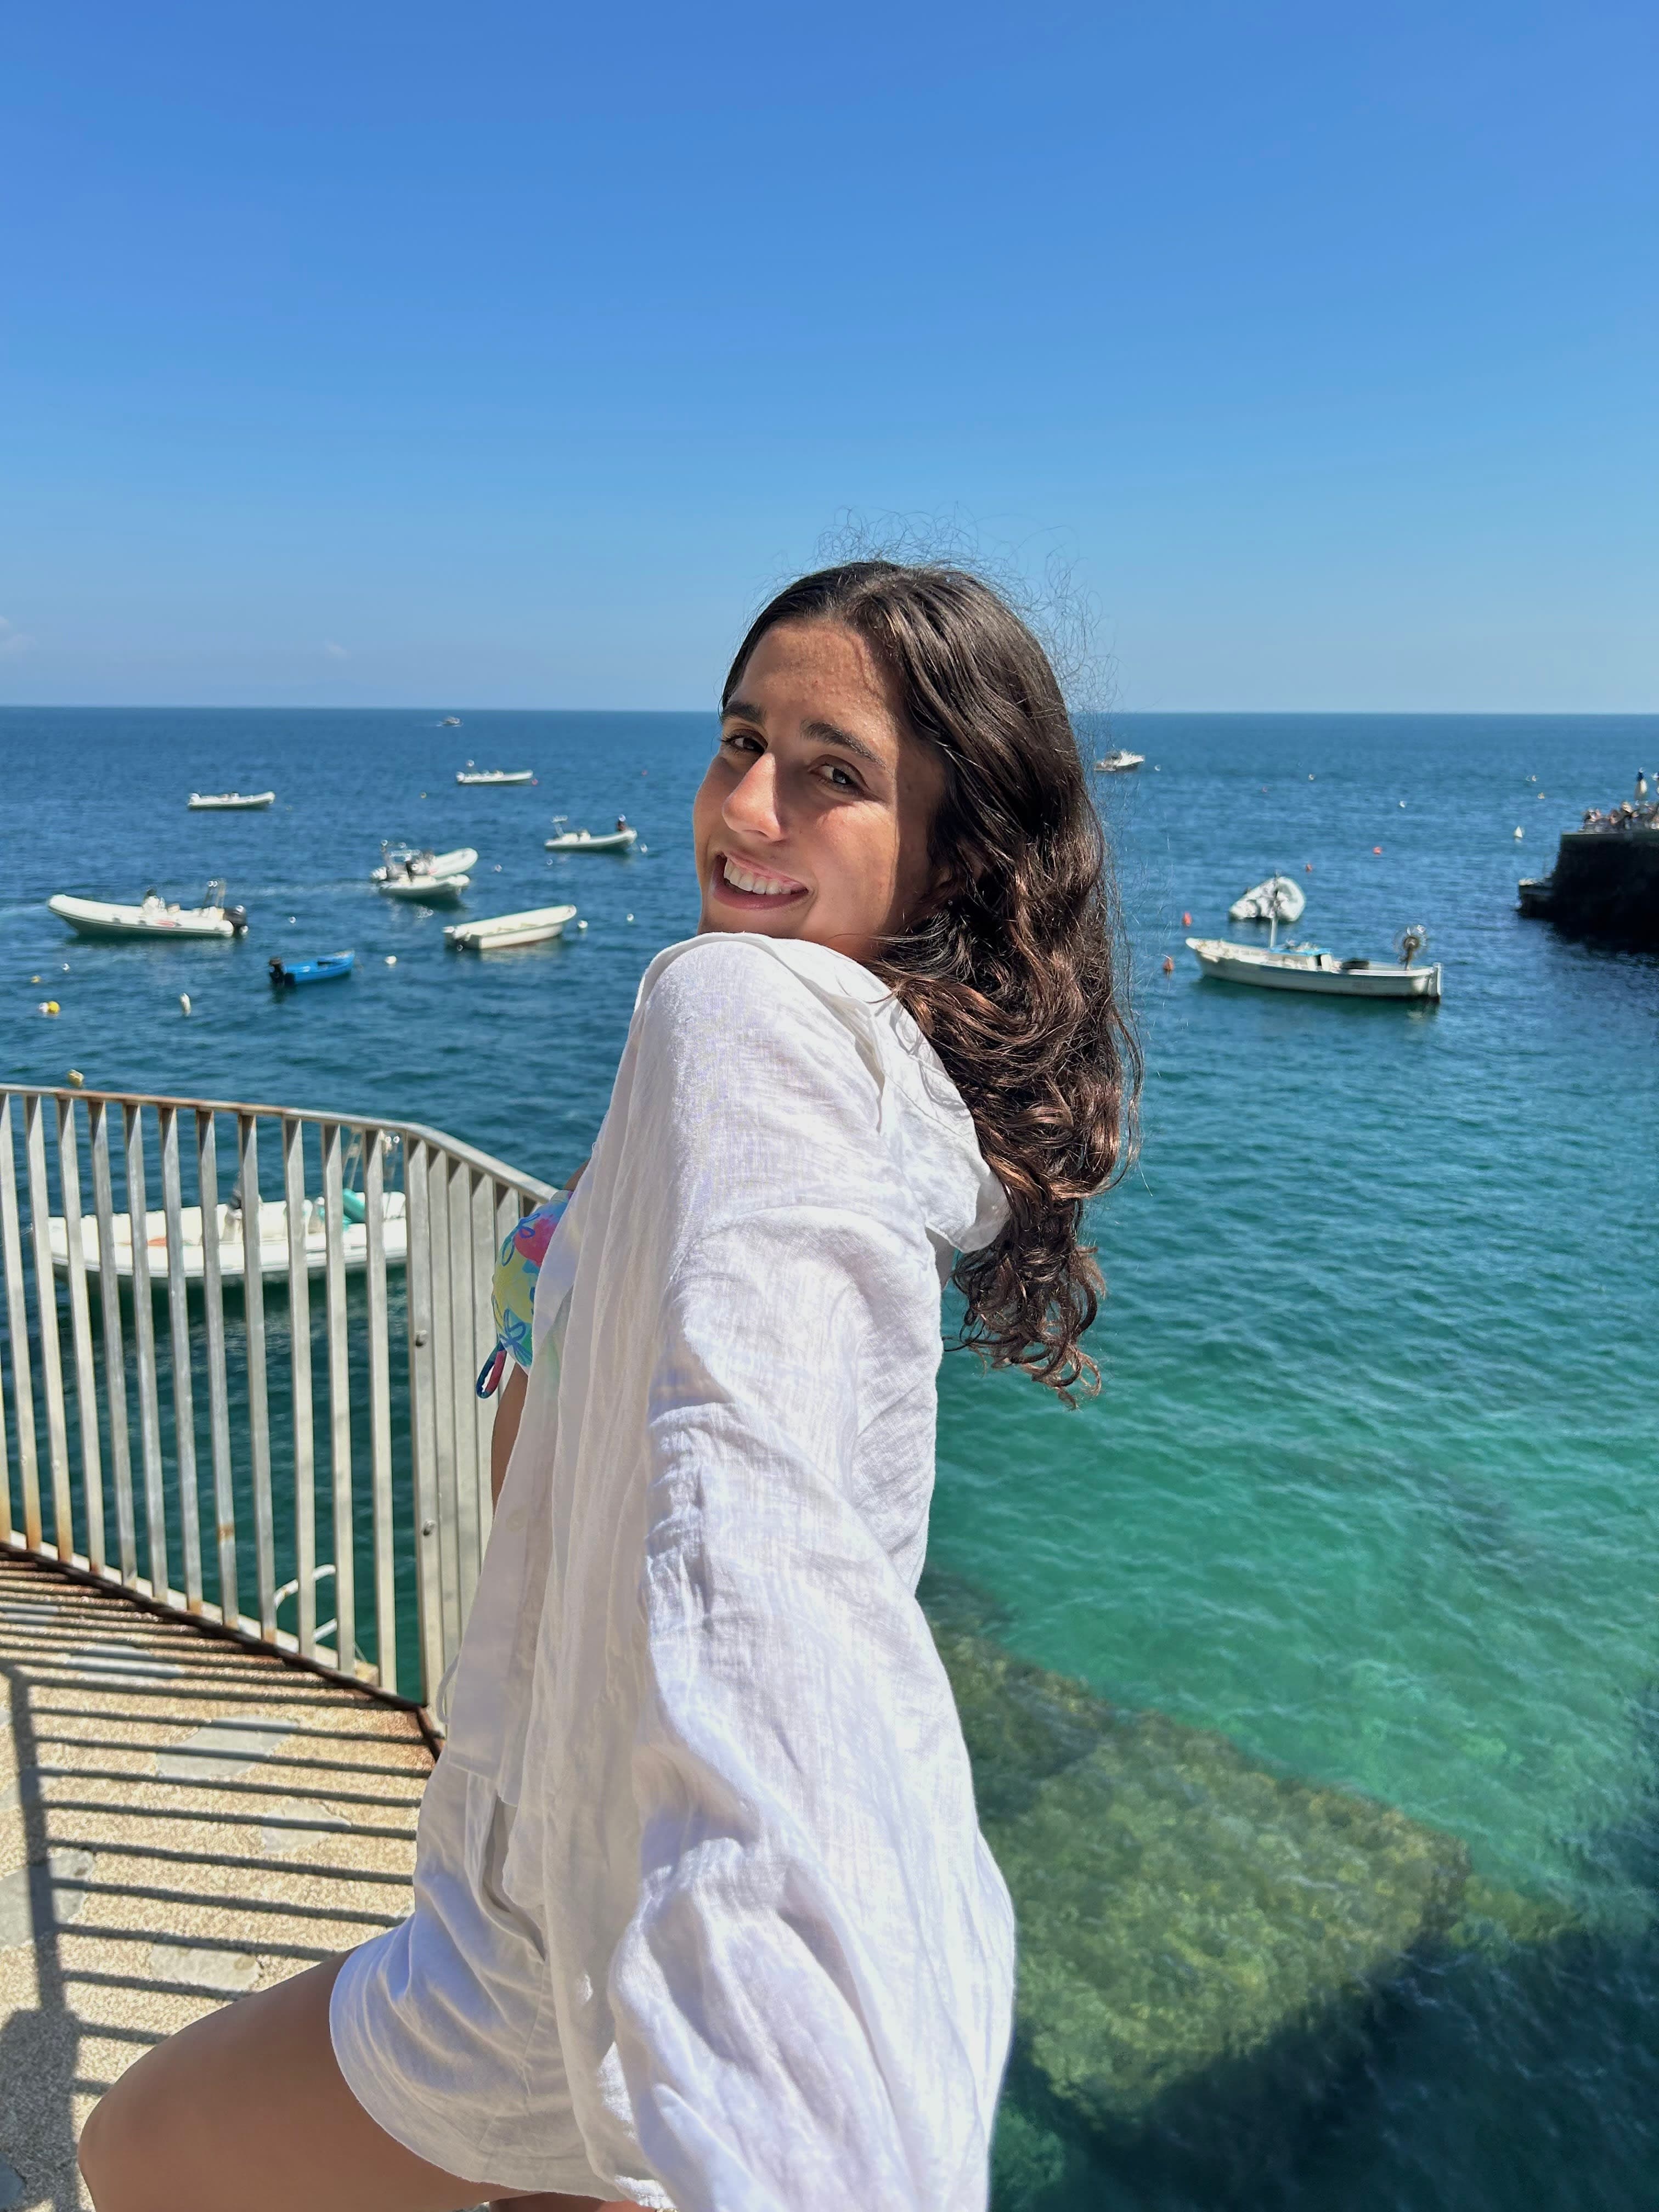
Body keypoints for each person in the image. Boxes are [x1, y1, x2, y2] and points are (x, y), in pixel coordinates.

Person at [79, 561, 1136, 2212]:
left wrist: (807, 2099)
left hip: (542, 1947)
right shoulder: (868, 1094)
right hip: (567, 1890)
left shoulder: (744, 1016)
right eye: (738, 739)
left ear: (954, 854)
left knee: (137, 2150)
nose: (747, 805)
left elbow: (754, 1539)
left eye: (833, 770)